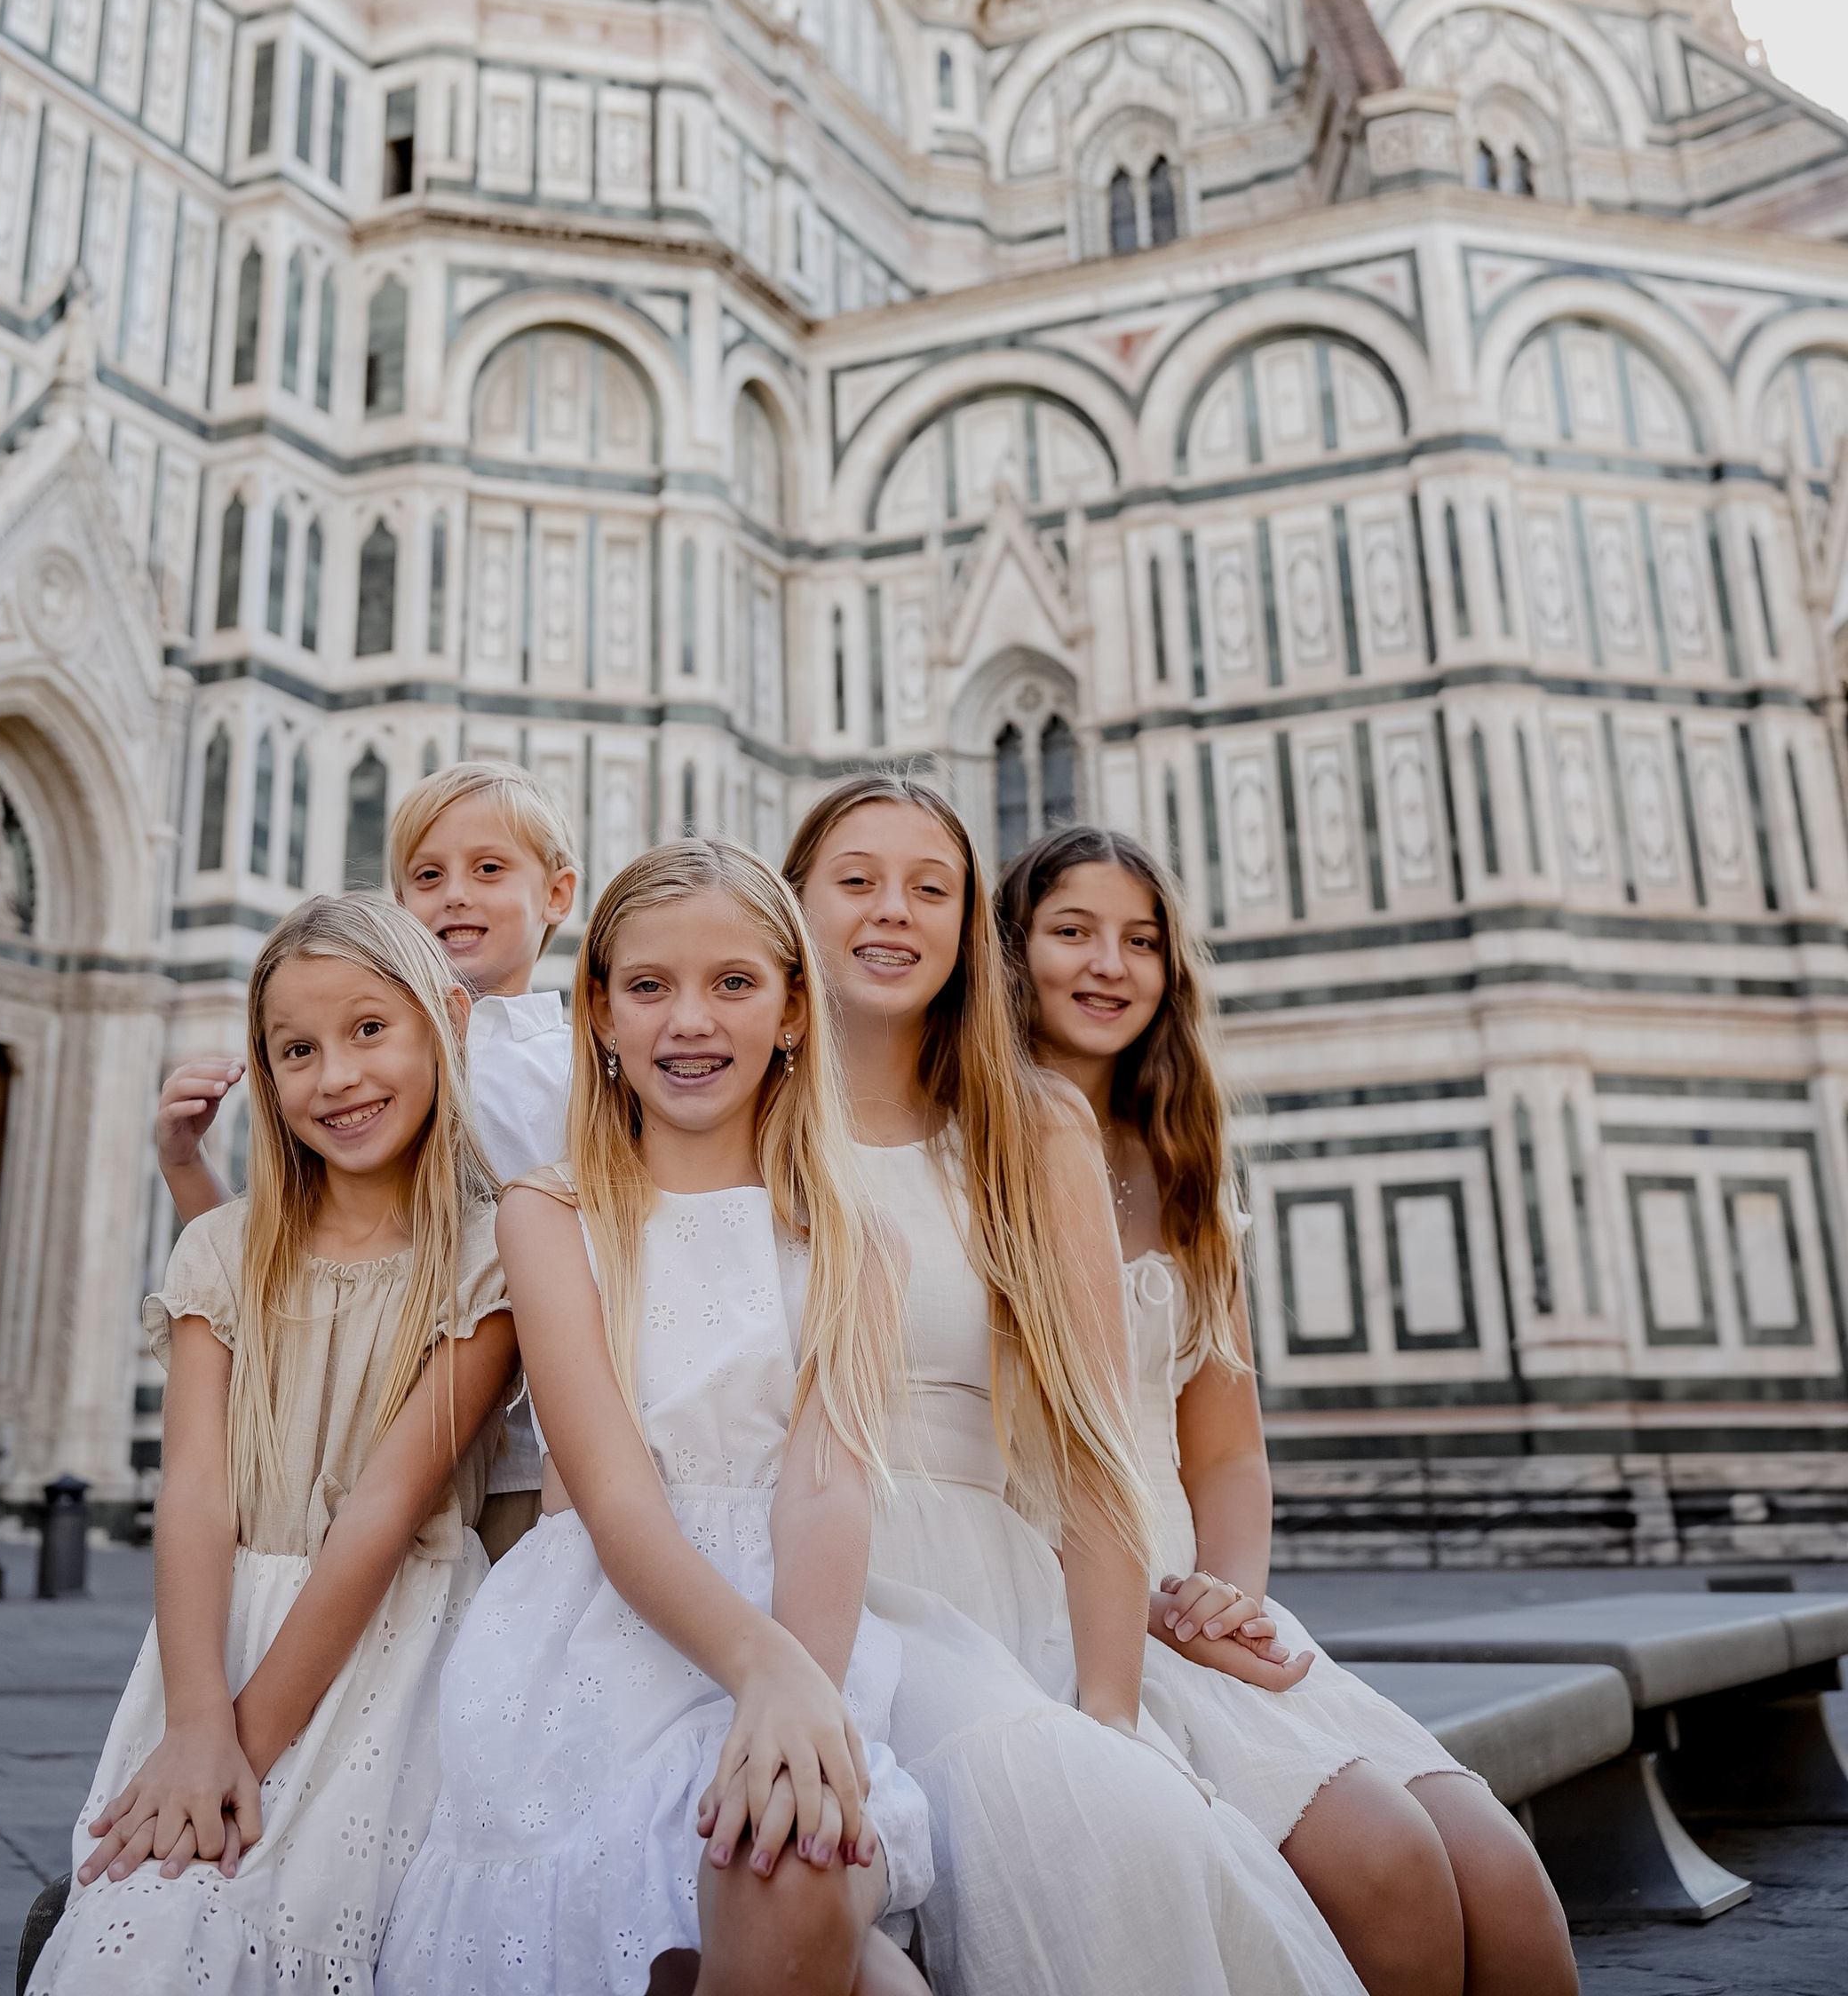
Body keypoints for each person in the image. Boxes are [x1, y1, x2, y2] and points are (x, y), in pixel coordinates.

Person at [781, 773, 1363, 1996]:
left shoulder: (1025, 1128)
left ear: (964, 932)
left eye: (928, 887)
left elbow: (1109, 1444)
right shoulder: (730, 1107)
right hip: (775, 1583)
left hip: (984, 1586)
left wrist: (1113, 1712)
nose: (891, 912)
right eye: (855, 882)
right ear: (792, 903)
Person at [1000, 821, 1578, 1996]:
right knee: (1388, 1868)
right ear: (1011, 951)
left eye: (1142, 941)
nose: (1109, 965)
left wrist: (1234, 1595)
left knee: (1506, 1886)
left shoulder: (1182, 1165)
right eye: (1072, 933)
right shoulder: (966, 1146)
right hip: (1038, 1588)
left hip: (1188, 1591)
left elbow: (1226, 1452)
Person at [378, 838, 933, 1996]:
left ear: (792, 1010)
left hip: (803, 1625)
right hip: (597, 1647)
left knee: (790, 1862)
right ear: (601, 1014)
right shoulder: (552, 1214)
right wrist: (757, 1666)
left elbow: (828, 1484)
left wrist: (795, 1693)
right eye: (649, 986)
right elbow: (615, 1492)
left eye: (733, 983)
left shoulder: (858, 1233)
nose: (690, 1019)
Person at [27, 895, 519, 1995]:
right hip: (218, 1640)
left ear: (445, 1020)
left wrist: (238, 1752)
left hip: (395, 1646)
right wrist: (197, 1722)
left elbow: (384, 1515)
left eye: (368, 1030)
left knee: (309, 1927)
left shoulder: (491, 1259)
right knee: (152, 1927)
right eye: (296, 1050)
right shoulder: (219, 1249)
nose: (335, 1076)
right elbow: (197, 1493)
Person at [155, 761, 575, 1558]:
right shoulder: (361, 1075)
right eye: (427, 875)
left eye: (488, 869)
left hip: (524, 1456)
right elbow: (271, 1258)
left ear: (556, 894)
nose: (455, 893)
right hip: (359, 1435)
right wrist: (185, 1162)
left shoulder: (576, 1075)